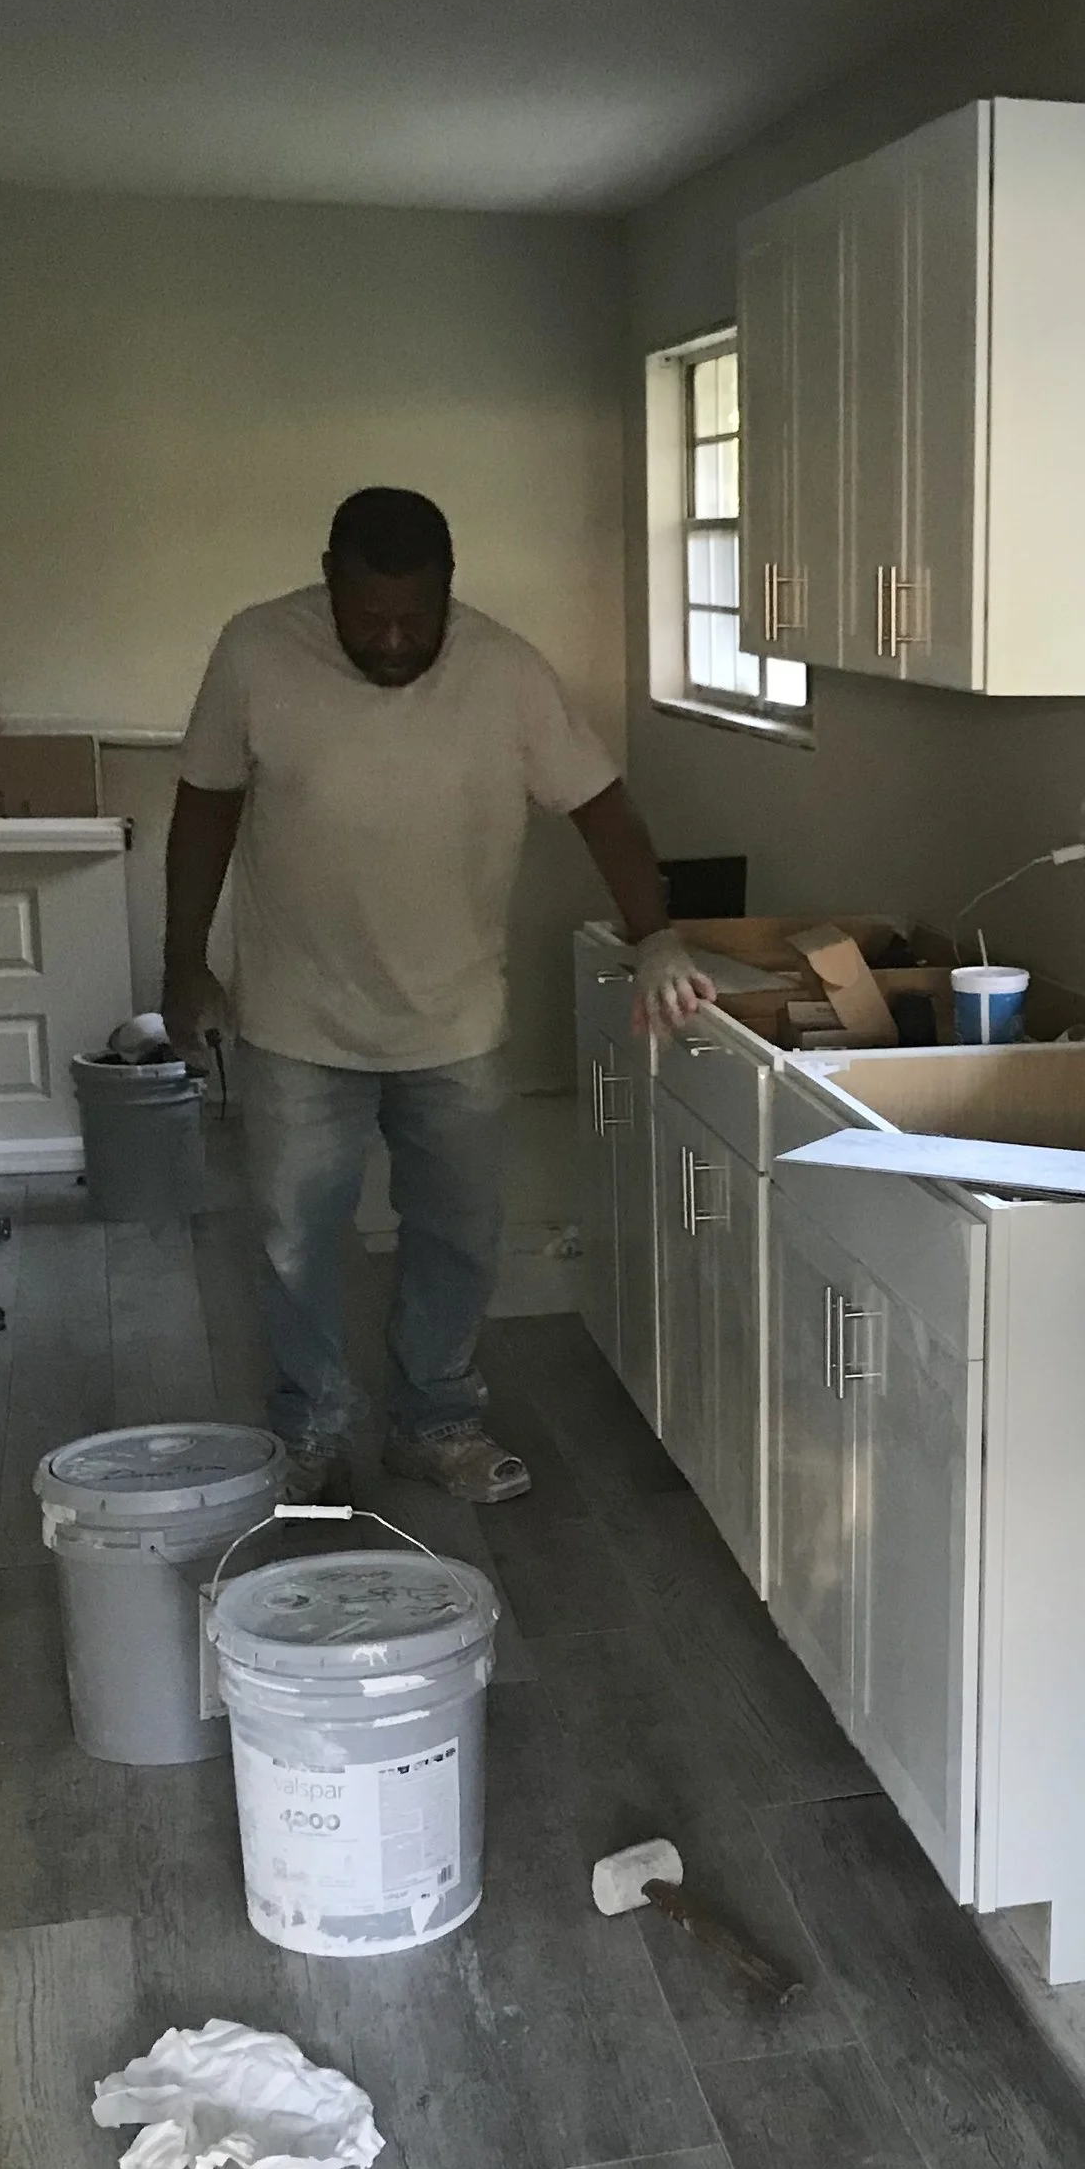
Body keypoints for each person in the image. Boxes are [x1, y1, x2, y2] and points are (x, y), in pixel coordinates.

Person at [163, 485, 716, 1505]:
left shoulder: (505, 671)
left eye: (415, 618)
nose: (390, 639)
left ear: (448, 593)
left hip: (455, 1019)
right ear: (326, 584)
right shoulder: (253, 653)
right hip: (295, 1017)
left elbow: (602, 807)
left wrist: (657, 936)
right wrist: (183, 960)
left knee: (456, 1235)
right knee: (294, 1240)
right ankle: (314, 1429)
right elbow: (202, 807)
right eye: (366, 616)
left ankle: (437, 1421)